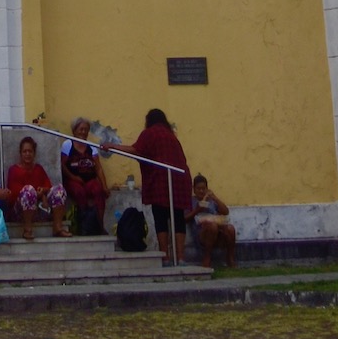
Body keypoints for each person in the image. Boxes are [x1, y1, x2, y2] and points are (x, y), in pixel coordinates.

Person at [124, 108, 192, 267]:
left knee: (161, 218)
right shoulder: (171, 136)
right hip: (180, 179)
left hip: (161, 180)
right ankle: (181, 258)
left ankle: (166, 257)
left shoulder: (150, 133)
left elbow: (136, 150)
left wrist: (111, 146)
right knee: (178, 218)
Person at [4, 135, 68, 241]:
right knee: (28, 191)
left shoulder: (38, 169)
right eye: (25, 151)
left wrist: (43, 191)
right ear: (20, 153)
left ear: (34, 153)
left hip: (40, 209)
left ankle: (57, 227)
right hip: (20, 212)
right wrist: (34, 192)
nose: (27, 154)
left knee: (59, 190)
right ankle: (27, 229)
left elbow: (48, 186)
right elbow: (13, 193)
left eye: (30, 151)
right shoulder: (14, 170)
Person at [60, 119, 109, 236]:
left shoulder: (91, 147)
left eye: (86, 130)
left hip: (89, 180)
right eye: (81, 129)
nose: (83, 132)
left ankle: (99, 226)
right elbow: (62, 165)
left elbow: (98, 168)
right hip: (73, 180)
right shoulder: (68, 145)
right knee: (79, 192)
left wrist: (105, 186)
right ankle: (83, 226)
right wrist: (73, 177)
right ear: (74, 131)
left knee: (98, 191)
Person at [190, 174, 237, 271]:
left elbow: (225, 211)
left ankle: (230, 258)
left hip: (217, 230)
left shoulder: (211, 200)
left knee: (230, 229)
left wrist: (214, 198)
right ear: (194, 189)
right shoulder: (191, 201)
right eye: (198, 188)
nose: (201, 191)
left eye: (203, 189)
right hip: (201, 233)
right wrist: (197, 210)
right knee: (212, 226)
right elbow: (185, 218)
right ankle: (207, 258)